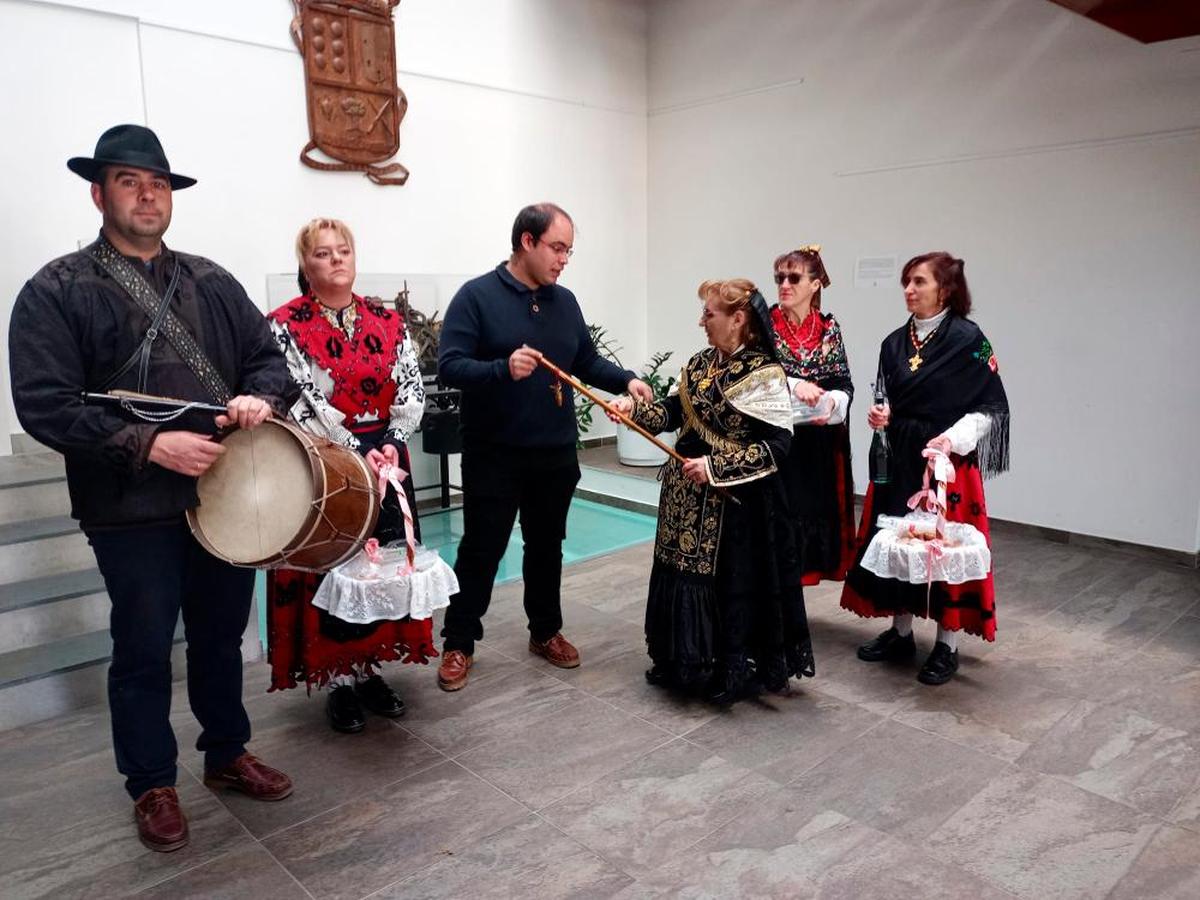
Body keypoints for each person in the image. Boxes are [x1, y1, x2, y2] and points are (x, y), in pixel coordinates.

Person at [8, 124, 296, 852]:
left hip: (224, 494)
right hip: (128, 506)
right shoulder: (55, 289)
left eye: (159, 182)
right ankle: (152, 782)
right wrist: (150, 443)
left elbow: (269, 360)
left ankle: (227, 752)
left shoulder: (212, 281)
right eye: (130, 181)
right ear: (99, 191)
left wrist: (259, 398)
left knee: (221, 639)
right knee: (141, 648)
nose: (147, 194)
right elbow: (45, 404)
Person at [435, 202, 652, 691]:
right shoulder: (476, 297)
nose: (563, 260)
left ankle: (545, 631)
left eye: (568, 251)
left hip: (553, 450)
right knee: (481, 549)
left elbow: (585, 360)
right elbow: (450, 365)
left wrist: (627, 380)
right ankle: (459, 641)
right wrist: (500, 369)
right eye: (557, 248)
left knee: (547, 546)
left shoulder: (564, 301)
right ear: (526, 242)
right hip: (494, 452)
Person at [265, 218, 436, 731]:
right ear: (306, 264)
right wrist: (349, 450)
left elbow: (409, 382)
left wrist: (392, 441)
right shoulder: (283, 324)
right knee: (332, 565)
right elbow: (298, 394)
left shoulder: (387, 320)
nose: (336, 259)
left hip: (386, 455)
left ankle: (368, 668)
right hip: (324, 462)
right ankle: (336, 677)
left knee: (380, 565)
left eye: (343, 251)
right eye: (322, 253)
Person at [610, 279, 815, 703]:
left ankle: (728, 668)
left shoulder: (764, 374)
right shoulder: (701, 362)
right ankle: (680, 659)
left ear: (738, 319)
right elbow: (672, 411)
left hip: (735, 506)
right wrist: (633, 411)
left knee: (726, 585)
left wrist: (717, 467)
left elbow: (777, 446)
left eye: (709, 313)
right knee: (678, 574)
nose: (701, 321)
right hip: (684, 496)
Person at [840, 252, 1009, 685]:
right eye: (906, 283)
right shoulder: (894, 342)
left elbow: (991, 407)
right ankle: (900, 633)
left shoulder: (971, 340)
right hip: (900, 457)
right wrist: (882, 415)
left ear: (945, 289)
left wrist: (951, 440)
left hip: (946, 461)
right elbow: (887, 396)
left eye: (918, 282)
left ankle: (946, 646)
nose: (909, 290)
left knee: (941, 550)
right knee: (901, 542)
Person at [768, 244, 856, 584]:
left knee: (812, 515)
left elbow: (843, 381)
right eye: (779, 278)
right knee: (779, 519)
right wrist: (793, 383)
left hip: (818, 441)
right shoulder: (766, 324)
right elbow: (753, 374)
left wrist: (833, 402)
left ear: (815, 284)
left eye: (794, 277)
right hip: (778, 440)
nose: (784, 285)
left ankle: (793, 606)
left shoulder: (828, 328)